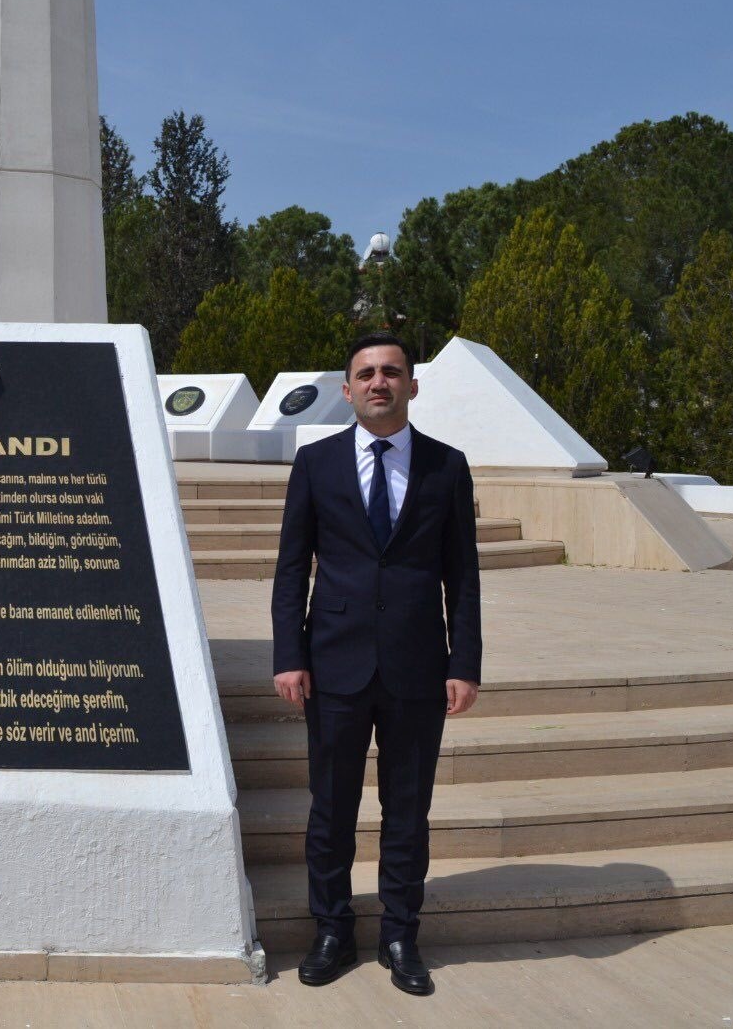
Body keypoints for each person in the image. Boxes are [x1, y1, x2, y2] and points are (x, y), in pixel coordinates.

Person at [270, 331, 482, 997]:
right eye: (365, 373)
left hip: (419, 668)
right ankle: (332, 929)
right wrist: (288, 655)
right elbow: (291, 569)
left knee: (408, 810)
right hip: (333, 666)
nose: (379, 382)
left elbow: (463, 576)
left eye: (392, 371)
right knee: (330, 809)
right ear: (347, 389)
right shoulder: (317, 463)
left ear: (412, 386)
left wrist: (465, 661)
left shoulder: (447, 467)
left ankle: (400, 934)